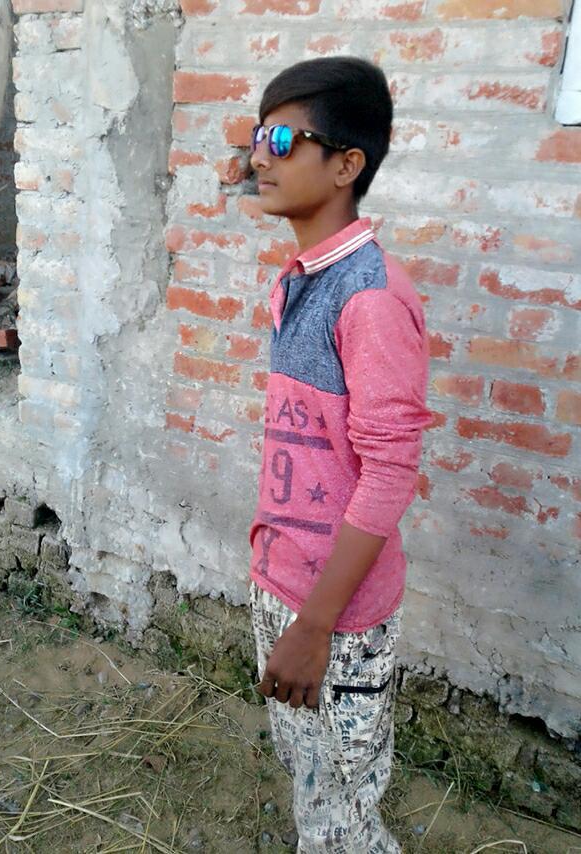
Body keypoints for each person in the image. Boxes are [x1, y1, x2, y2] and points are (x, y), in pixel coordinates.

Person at [247, 56, 432, 853]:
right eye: (257, 136)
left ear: (346, 164)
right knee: (309, 776)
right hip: (282, 583)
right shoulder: (302, 278)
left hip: (339, 614)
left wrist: (315, 625)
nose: (260, 156)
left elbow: (389, 474)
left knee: (342, 815)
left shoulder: (370, 296)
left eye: (283, 139)